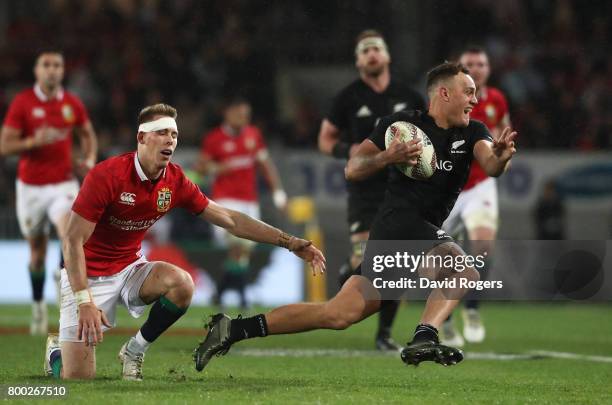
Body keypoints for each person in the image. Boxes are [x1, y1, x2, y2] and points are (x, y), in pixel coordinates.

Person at [193, 62, 517, 371]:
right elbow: (353, 169)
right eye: (469, 91)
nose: (475, 100)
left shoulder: (474, 131)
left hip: (411, 233)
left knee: (337, 314)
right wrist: (387, 157)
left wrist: (501, 158)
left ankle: (232, 329)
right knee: (463, 271)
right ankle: (425, 336)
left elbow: (490, 164)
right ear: (444, 93)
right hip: (399, 224)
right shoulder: (403, 125)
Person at [44, 103, 324, 381]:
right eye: (162, 132)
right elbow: (71, 241)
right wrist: (84, 301)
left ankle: (134, 350)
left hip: (130, 268)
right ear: (142, 137)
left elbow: (230, 219)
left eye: (174, 134)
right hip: (87, 273)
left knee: (182, 284)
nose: (170, 139)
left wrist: (289, 241)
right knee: (78, 378)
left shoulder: (175, 180)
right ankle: (55, 354)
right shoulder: (107, 175)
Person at [318, 29, 425, 350]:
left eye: (376, 48)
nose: (372, 54)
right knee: (367, 261)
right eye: (365, 51)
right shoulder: (348, 98)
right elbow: (324, 140)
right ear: (358, 61)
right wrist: (346, 151)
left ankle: (384, 335)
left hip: (402, 192)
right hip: (364, 192)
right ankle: (348, 273)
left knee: (398, 266)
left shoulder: (410, 97)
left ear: (387, 56)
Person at [0, 50, 97, 335]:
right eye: (46, 65)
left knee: (69, 231)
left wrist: (89, 158)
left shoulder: (71, 104)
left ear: (62, 71)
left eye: (57, 65)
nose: (52, 70)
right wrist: (32, 141)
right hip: (30, 187)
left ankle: (62, 274)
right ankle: (39, 305)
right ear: (37, 71)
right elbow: (5, 146)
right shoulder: (23, 103)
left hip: (63, 185)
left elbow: (87, 133)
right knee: (36, 254)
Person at [440, 47, 511, 346]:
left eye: (481, 63)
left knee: (483, 244)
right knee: (441, 255)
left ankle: (471, 309)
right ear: (460, 70)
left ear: (489, 68)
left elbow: (503, 129)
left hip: (481, 185)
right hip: (449, 187)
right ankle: (443, 318)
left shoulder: (496, 99)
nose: (477, 68)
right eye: (470, 64)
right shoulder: (447, 100)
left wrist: (502, 157)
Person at [195, 97, 287, 308]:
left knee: (242, 252)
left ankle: (219, 294)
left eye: (247, 115)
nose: (244, 118)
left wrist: (279, 194)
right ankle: (244, 298)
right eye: (240, 114)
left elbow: (266, 165)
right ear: (227, 113)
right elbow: (200, 168)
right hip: (225, 201)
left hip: (249, 201)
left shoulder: (253, 135)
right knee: (237, 247)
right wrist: (216, 169)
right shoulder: (214, 138)